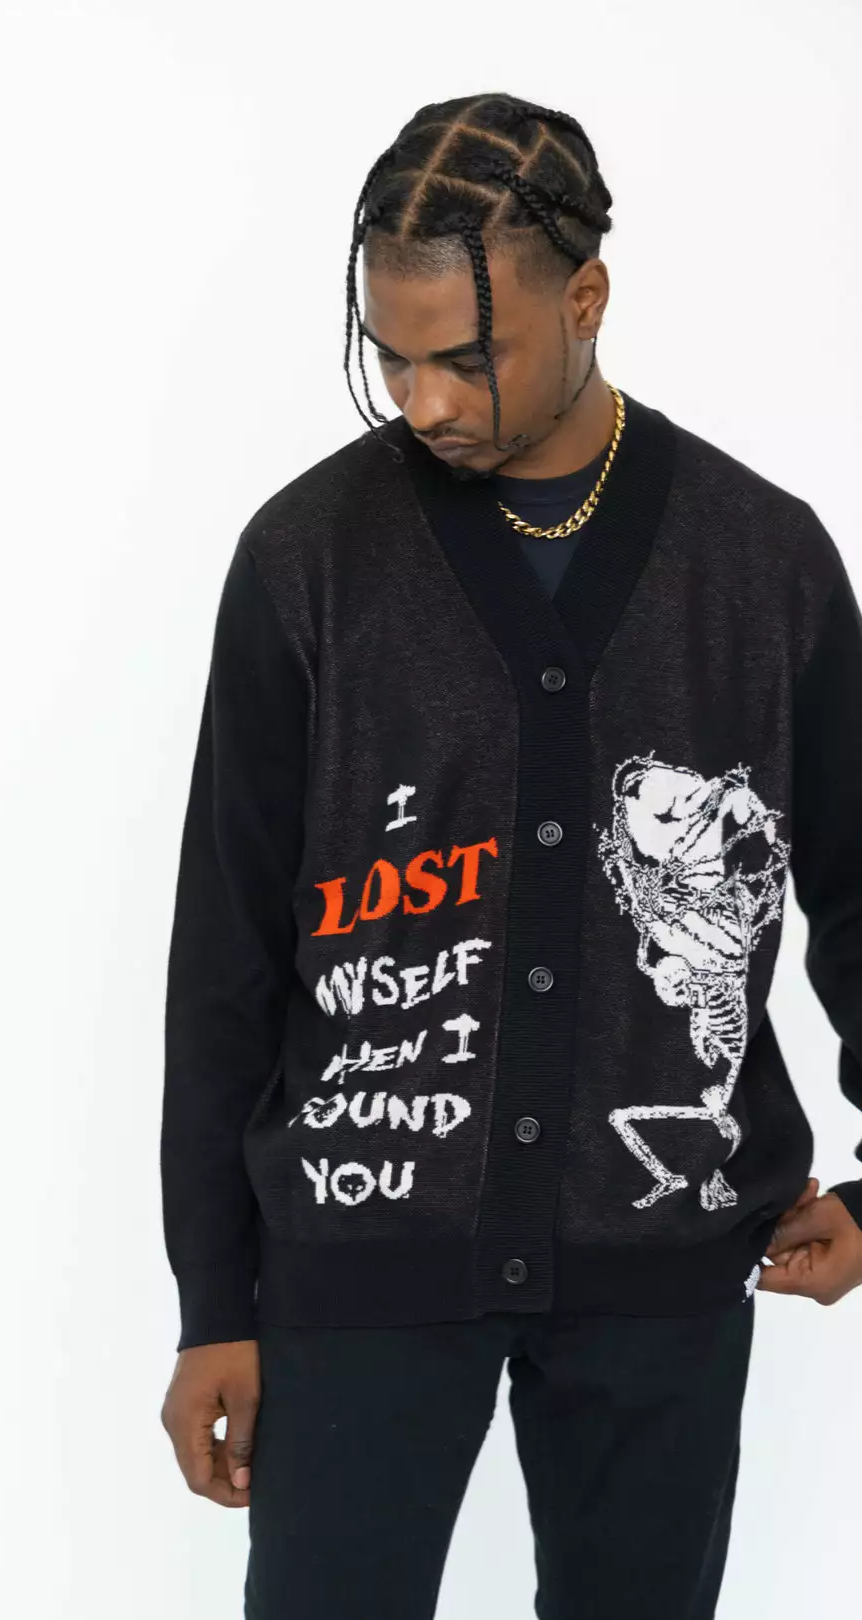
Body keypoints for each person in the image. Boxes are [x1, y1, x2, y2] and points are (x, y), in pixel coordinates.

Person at [158, 90, 862, 1619]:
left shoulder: (765, 565)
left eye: (467, 357)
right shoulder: (306, 562)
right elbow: (227, 954)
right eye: (389, 356)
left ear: (585, 300)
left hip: (662, 1268)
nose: (422, 402)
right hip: (359, 1246)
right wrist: (215, 1302)